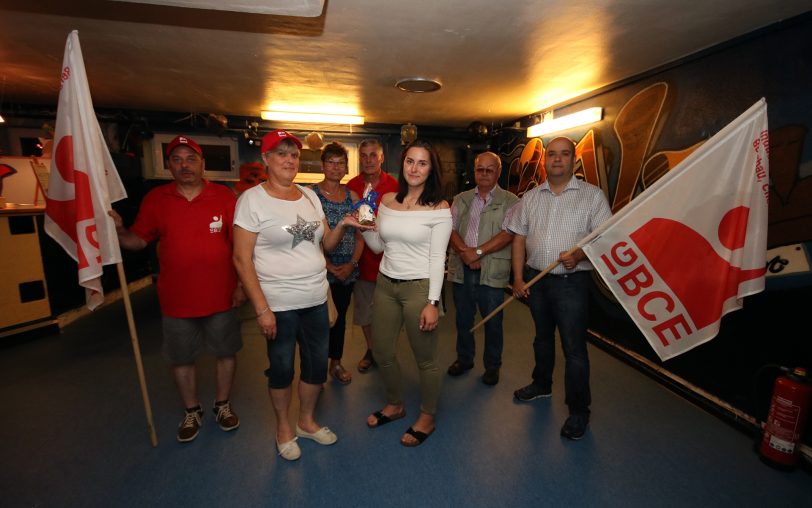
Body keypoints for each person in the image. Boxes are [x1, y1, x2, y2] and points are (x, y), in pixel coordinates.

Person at [232, 129, 359, 461]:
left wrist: (344, 223)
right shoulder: (252, 200)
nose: (289, 160)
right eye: (281, 154)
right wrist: (261, 309)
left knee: (317, 367)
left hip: (315, 298)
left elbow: (324, 245)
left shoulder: (308, 196)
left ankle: (305, 422)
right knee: (282, 368)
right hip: (278, 304)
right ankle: (283, 429)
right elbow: (241, 259)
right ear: (266, 160)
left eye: (293, 155)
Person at [110, 135, 243, 443]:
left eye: (191, 159)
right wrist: (117, 229)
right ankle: (192, 409)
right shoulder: (157, 199)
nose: (185, 165)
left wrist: (241, 286)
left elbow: (240, 246)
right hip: (176, 299)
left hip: (221, 294)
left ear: (202, 164)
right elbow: (138, 240)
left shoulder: (224, 197)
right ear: (169, 165)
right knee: (181, 358)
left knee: (226, 352)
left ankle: (222, 405)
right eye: (177, 159)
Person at [347, 139, 452, 447]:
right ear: (402, 164)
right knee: (382, 351)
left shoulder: (440, 208)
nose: (415, 168)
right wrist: (364, 229)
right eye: (410, 162)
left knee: (425, 360)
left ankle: (427, 416)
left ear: (431, 169)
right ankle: (395, 404)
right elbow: (381, 247)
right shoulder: (388, 200)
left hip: (419, 288)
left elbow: (437, 259)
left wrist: (432, 302)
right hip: (386, 284)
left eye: (422, 163)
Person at [507, 136, 612, 440]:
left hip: (572, 284)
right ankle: (541, 385)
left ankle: (579, 411)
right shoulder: (531, 197)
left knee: (574, 349)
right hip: (537, 282)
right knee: (541, 339)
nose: (557, 159)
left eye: (564, 154)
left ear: (574, 160)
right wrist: (517, 278)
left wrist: (579, 254)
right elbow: (519, 238)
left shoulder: (592, 197)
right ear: (545, 160)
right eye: (551, 154)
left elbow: (605, 237)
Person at [446, 151, 520, 386]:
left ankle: (492, 366)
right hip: (462, 269)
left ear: (498, 172)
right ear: (475, 171)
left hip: (492, 271)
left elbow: (508, 233)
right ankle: (465, 359)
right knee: (463, 319)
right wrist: (465, 254)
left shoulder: (512, 201)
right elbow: (450, 228)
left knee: (493, 322)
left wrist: (477, 252)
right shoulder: (461, 199)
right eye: (480, 169)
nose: (485, 174)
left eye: (490, 169)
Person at [312, 141, 364, 385]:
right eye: (330, 162)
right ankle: (317, 369)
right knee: (320, 321)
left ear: (346, 168)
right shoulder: (310, 196)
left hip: (346, 268)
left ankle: (336, 363)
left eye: (340, 163)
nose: (335, 167)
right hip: (319, 267)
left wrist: (352, 264)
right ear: (323, 165)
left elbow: (361, 234)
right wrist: (327, 266)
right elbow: (306, 238)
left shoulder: (353, 196)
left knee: (340, 318)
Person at [346, 138, 400, 372]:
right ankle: (371, 349)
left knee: (391, 312)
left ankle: (386, 351)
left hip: (390, 260)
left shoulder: (394, 185)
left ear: (381, 158)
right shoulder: (352, 185)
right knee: (366, 311)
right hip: (363, 259)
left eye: (372, 155)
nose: (368, 160)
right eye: (364, 156)